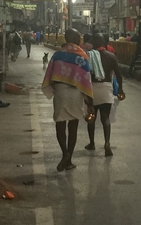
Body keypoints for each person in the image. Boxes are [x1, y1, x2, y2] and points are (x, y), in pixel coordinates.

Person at [42, 28, 93, 171]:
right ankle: (68, 158)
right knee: (73, 125)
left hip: (60, 92)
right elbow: (86, 79)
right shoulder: (82, 56)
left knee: (60, 123)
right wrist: (90, 102)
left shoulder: (57, 55)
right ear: (76, 39)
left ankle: (65, 154)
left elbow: (49, 76)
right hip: (76, 93)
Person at [84, 33, 125, 156]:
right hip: (106, 88)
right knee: (105, 118)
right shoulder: (111, 56)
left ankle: (92, 143)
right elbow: (118, 75)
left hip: (92, 89)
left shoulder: (89, 56)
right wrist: (120, 90)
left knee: (91, 117)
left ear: (94, 44)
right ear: (104, 43)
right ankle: (107, 143)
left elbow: (85, 75)